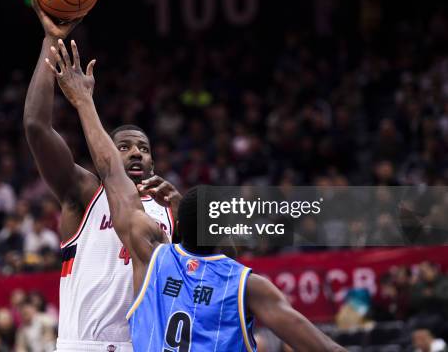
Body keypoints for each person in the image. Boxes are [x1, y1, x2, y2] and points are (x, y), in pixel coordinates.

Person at [49, 40, 346, 351]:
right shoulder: (245, 284)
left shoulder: (157, 260)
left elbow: (112, 173)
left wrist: (83, 101)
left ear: (178, 230)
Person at [24, 0, 181, 351]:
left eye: (143, 148)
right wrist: (50, 39)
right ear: (106, 150)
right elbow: (36, 127)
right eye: (123, 147)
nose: (136, 154)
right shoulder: (85, 193)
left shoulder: (171, 209)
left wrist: (183, 212)